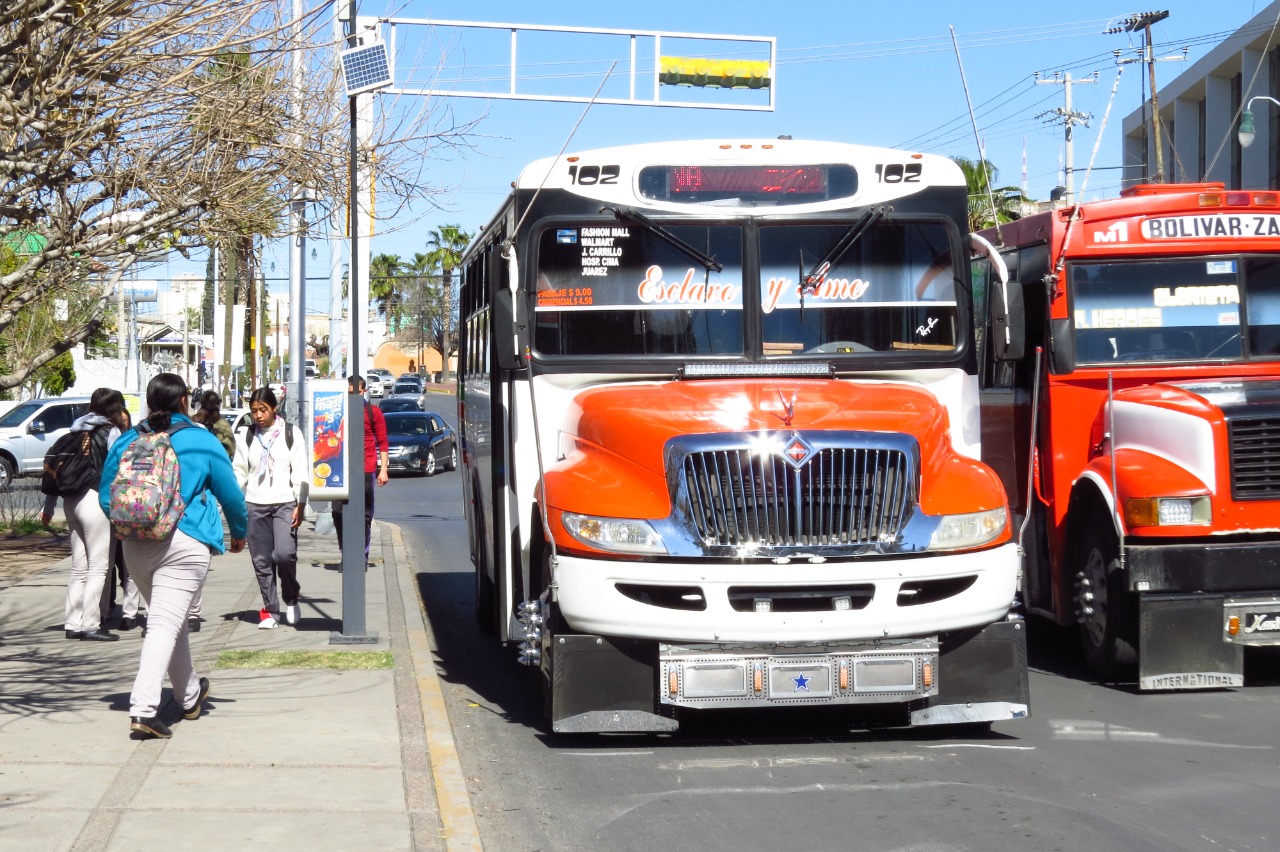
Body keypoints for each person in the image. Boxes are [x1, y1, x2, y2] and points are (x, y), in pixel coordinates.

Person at [99, 373, 248, 740]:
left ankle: (190, 696)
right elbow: (230, 494)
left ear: (150, 402)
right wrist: (239, 533)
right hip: (185, 541)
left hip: (135, 545)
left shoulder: (131, 439)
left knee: (171, 619)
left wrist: (134, 523)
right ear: (185, 400)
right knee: (165, 623)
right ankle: (145, 709)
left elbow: (107, 496)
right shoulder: (201, 440)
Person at [41, 388, 129, 642]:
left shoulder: (73, 431)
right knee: (99, 566)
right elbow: (118, 470)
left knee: (79, 566)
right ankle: (91, 623)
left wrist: (48, 507)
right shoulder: (110, 431)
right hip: (95, 500)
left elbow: (57, 469)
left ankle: (73, 622)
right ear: (114, 408)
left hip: (71, 501)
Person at [232, 386, 309, 629]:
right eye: (254, 411)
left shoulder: (291, 433)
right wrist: (233, 500)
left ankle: (291, 596)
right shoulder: (246, 436)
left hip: (285, 503)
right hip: (255, 504)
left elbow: (300, 470)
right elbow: (239, 471)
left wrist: (301, 502)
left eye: (263, 410)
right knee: (262, 561)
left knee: (284, 555)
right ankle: (271, 610)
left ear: (274, 408)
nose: (258, 415)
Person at [185, 390, 234, 632]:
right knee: (199, 553)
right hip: (208, 489)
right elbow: (229, 455)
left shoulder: (192, 422)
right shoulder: (222, 425)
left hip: (185, 494)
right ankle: (193, 614)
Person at [333, 375, 388, 563]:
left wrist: (383, 470)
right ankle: (346, 552)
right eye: (349, 393)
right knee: (338, 512)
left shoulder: (374, 413)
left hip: (366, 468)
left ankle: (361, 555)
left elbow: (383, 442)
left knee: (364, 516)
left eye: (356, 392)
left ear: (364, 391)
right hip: (342, 470)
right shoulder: (339, 411)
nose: (353, 396)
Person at [192, 390, 235, 459]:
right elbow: (230, 450)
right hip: (216, 464)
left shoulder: (192, 422)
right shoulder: (223, 425)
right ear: (218, 406)